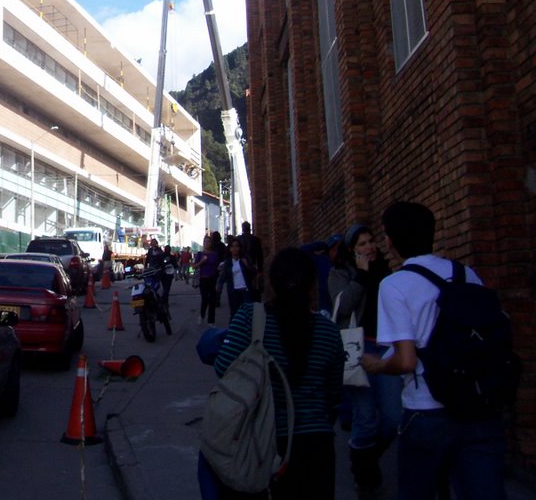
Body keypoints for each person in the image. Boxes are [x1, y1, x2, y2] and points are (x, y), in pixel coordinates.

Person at [361, 202, 507, 500]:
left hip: (427, 410)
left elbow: (405, 360)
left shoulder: (394, 285)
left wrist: (377, 366)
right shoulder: (466, 274)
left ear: (390, 240)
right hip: (478, 405)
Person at [213, 247, 344, 499]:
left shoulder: (250, 318)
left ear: (271, 283)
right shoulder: (329, 331)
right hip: (317, 445)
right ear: (313, 286)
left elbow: (223, 368)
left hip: (261, 442)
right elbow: (334, 396)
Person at [328, 224, 401, 490]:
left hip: (387, 348)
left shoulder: (385, 271)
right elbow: (342, 306)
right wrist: (360, 276)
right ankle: (364, 471)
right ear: (352, 250)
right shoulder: (340, 274)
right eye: (362, 244)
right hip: (359, 350)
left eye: (371, 241)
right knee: (366, 417)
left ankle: (365, 456)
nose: (369, 247)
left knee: (394, 416)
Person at [217, 237, 258, 314]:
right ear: (230, 249)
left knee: (247, 313)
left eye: (237, 246)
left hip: (245, 290)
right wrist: (218, 288)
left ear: (240, 248)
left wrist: (247, 265)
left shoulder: (245, 259)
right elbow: (222, 277)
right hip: (233, 291)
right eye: (232, 246)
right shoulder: (228, 263)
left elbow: (254, 272)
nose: (235, 248)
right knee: (234, 313)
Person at [193, 232, 223, 326]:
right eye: (205, 241)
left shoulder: (214, 254)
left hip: (212, 278)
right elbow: (194, 266)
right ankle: (201, 315)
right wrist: (202, 261)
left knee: (212, 300)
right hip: (203, 279)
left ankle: (211, 321)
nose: (206, 243)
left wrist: (219, 268)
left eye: (208, 241)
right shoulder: (200, 254)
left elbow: (218, 265)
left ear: (211, 243)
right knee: (205, 298)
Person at [237, 221, 265, 293]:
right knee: (252, 286)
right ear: (250, 228)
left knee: (242, 285)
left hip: (241, 265)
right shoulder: (256, 239)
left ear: (242, 229)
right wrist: (260, 269)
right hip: (252, 265)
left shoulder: (238, 239)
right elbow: (259, 256)